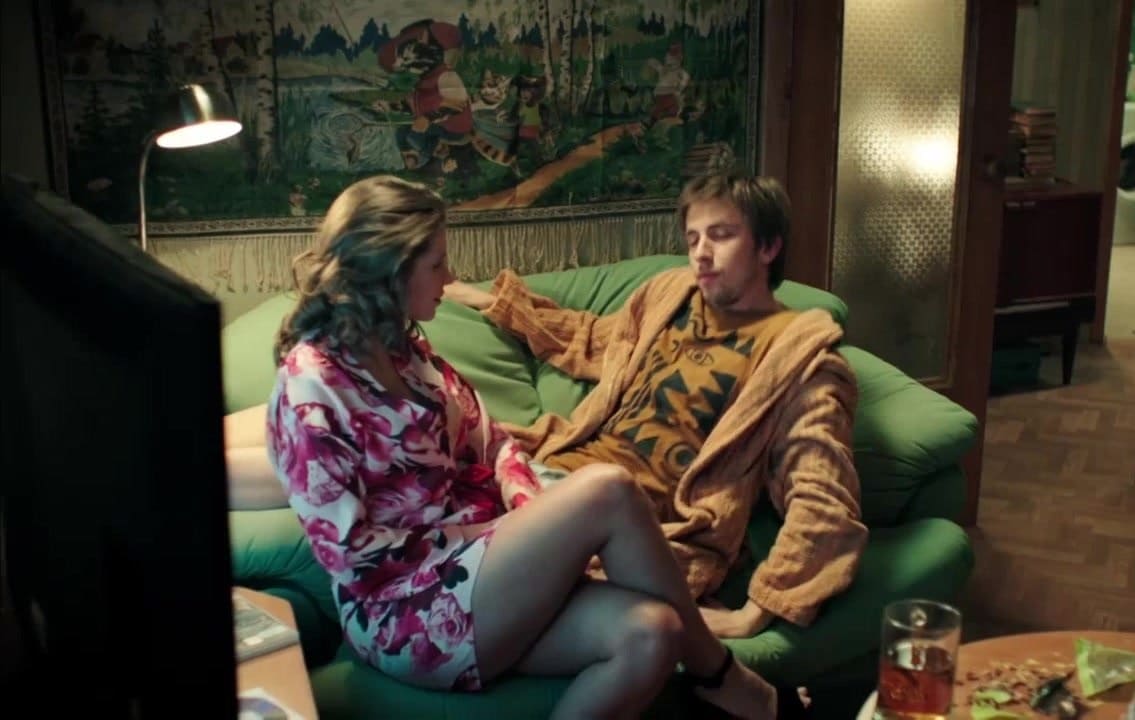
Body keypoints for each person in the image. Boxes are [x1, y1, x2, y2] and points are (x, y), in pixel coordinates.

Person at [255, 174, 779, 719]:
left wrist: (531, 520)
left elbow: (495, 443)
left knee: (654, 633)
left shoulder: (405, 353)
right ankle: (723, 677)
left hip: (489, 575)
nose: (449, 278)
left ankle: (709, 670)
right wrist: (489, 535)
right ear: (390, 269)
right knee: (608, 488)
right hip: (405, 609)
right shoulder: (310, 386)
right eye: (437, 264)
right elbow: (353, 557)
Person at [443, 172, 869, 640]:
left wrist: (756, 611)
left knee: (464, 573)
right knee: (416, 487)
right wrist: (488, 300)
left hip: (624, 525)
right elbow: (593, 338)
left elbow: (822, 495)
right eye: (693, 238)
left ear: (768, 247)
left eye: (721, 235)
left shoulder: (802, 363)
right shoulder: (669, 296)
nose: (701, 253)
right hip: (547, 469)